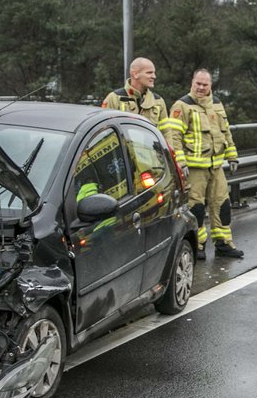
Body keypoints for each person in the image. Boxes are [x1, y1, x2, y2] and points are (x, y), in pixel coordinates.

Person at [161, 68, 244, 260]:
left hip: (216, 167)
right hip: (194, 168)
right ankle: (198, 246)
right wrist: (181, 163)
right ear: (192, 82)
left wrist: (232, 156)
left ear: (210, 86)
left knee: (222, 206)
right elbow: (174, 137)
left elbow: (226, 133)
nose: (200, 87)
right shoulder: (181, 106)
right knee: (196, 208)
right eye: (197, 83)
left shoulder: (217, 104)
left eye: (204, 84)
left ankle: (223, 244)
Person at [102, 56, 167, 127]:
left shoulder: (158, 101)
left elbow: (166, 133)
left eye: (154, 73)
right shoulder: (114, 98)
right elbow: (105, 129)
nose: (154, 76)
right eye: (149, 73)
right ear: (135, 74)